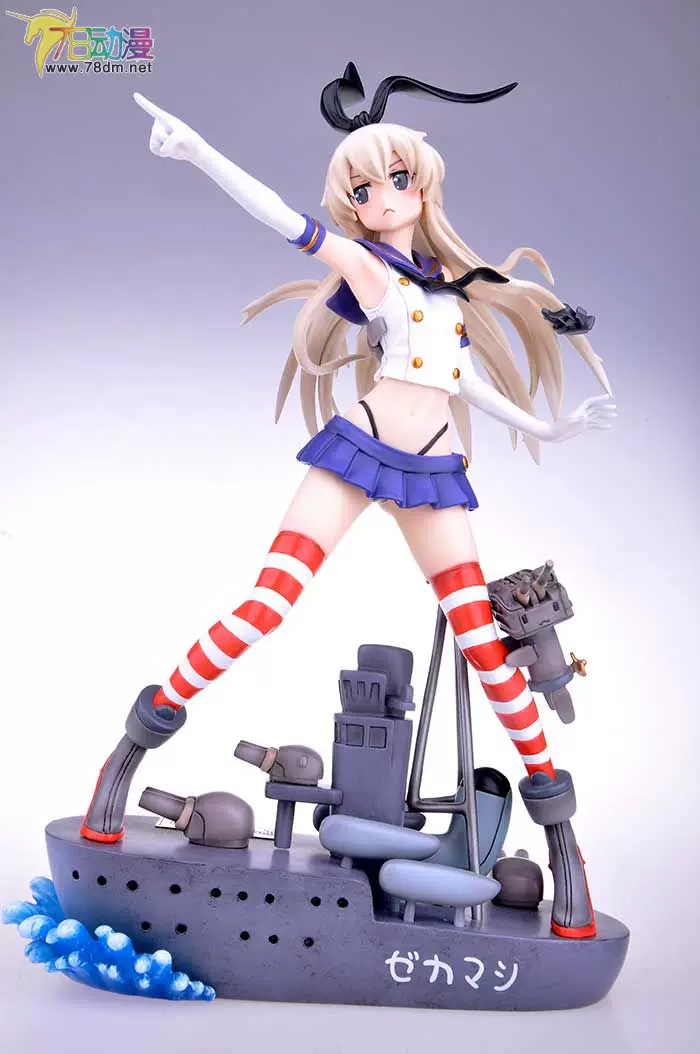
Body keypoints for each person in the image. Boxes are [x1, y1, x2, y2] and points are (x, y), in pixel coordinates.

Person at [81, 64, 615, 939]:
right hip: (359, 448)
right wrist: (196, 151)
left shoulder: (447, 291)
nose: (382, 198)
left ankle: (564, 848)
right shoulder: (368, 270)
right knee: (265, 606)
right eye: (363, 190)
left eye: (395, 178)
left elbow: (467, 384)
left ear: (422, 183)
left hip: (432, 468)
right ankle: (126, 755)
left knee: (488, 651)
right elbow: (277, 216)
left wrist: (553, 429)